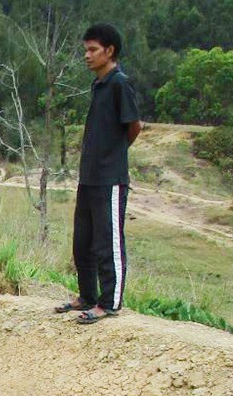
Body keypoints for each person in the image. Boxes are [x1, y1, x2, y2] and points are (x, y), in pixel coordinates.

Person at [55, 22, 142, 324]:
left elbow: (134, 127)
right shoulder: (98, 85)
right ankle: (87, 296)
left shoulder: (120, 84)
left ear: (110, 50)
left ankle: (110, 303)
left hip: (110, 179)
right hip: (89, 177)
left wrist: (113, 155)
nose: (87, 56)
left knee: (108, 242)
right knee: (84, 242)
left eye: (92, 50)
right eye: (86, 50)